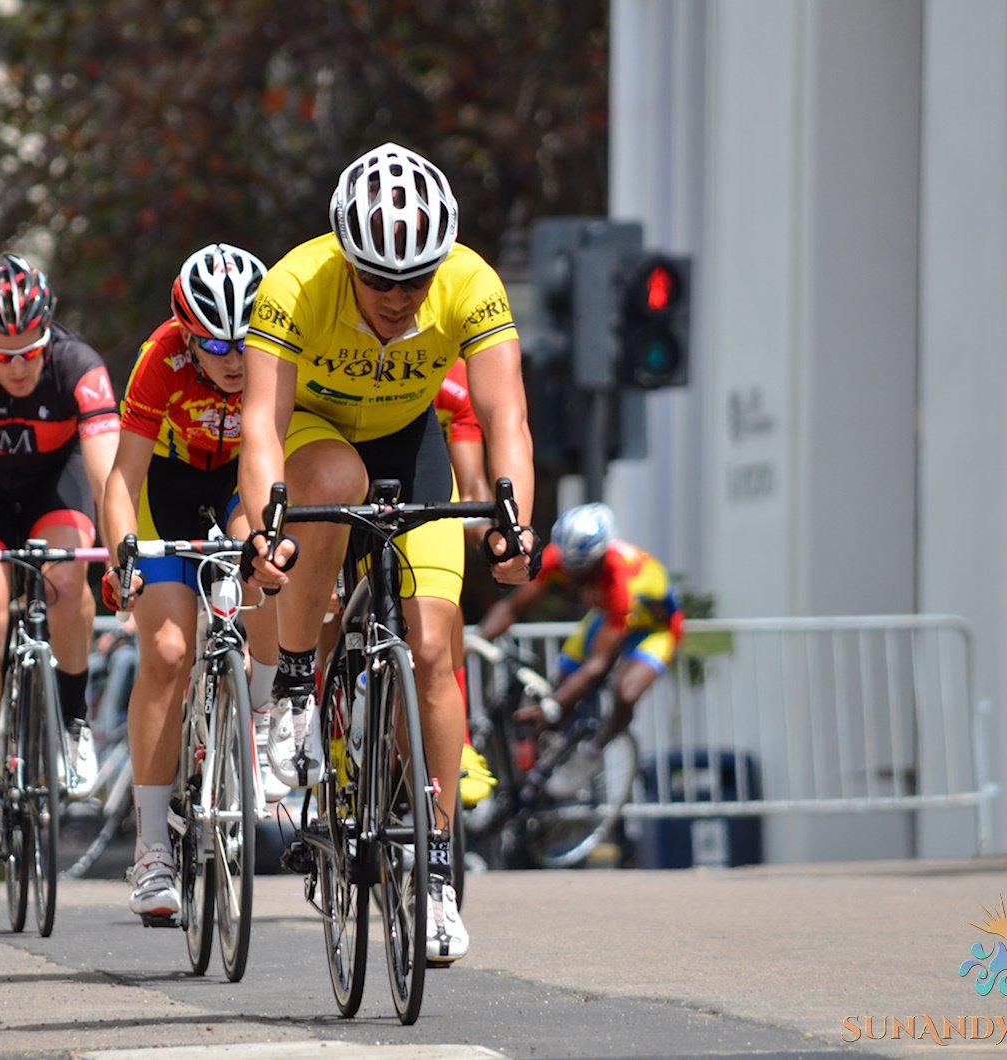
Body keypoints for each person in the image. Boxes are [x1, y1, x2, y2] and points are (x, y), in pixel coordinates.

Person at [239, 142, 539, 964]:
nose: (400, 298)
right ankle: (297, 683)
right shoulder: (296, 283)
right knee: (334, 476)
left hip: (411, 446)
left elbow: (505, 414)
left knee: (434, 643)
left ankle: (437, 873)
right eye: (379, 280)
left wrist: (516, 523)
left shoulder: (473, 283)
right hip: (316, 437)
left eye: (417, 279)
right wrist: (267, 526)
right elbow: (261, 421)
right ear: (346, 257)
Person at [98, 242, 283, 922]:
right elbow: (123, 478)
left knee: (268, 565)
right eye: (215, 345)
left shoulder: (272, 350)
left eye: (243, 343)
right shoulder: (161, 359)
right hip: (169, 493)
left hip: (240, 485)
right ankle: (151, 850)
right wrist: (121, 554)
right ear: (186, 335)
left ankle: (260, 716)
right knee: (170, 652)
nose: (234, 360)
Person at [0, 252, 119, 863]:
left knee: (66, 572)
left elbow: (108, 475)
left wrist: (119, 556)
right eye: (0, 353)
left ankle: (73, 718)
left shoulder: (79, 367)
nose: (17, 364)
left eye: (30, 348)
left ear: (47, 333)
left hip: (51, 487)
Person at [477, 502, 683, 796]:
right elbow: (512, 607)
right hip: (605, 616)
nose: (573, 578)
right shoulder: (561, 558)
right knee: (560, 682)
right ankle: (538, 774)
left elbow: (597, 664)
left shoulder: (620, 581)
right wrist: (474, 642)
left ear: (600, 557)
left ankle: (592, 751)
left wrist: (553, 706)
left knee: (625, 691)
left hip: (654, 629)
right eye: (569, 567)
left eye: (582, 570)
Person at [432, 360, 499, 808]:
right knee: (333, 599)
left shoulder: (454, 382)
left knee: (446, 601)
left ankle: (461, 743)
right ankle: (335, 734)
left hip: (429, 494)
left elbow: (472, 482)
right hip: (357, 479)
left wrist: (489, 534)